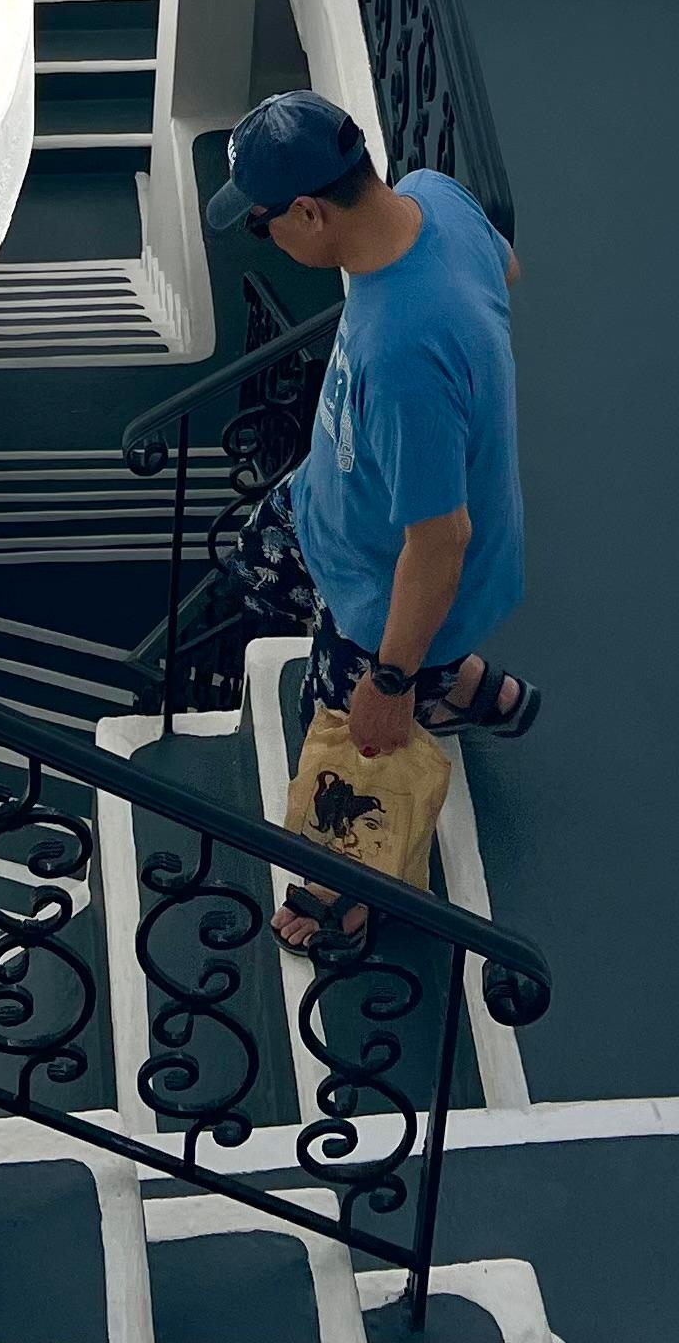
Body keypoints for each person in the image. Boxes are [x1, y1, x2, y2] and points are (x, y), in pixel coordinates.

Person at [205, 91, 542, 948]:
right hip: (333, 505)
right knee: (258, 562)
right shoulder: (433, 196)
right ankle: (461, 684)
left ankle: (343, 890)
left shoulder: (404, 353)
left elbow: (441, 541)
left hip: (379, 593)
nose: (266, 237)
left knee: (353, 746)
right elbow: (507, 269)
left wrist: (388, 684)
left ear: (311, 212)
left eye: (262, 223)